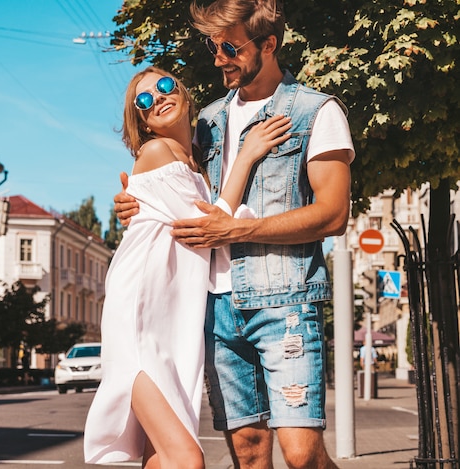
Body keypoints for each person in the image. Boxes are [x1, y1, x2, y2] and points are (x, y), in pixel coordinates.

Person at [113, 1, 355, 468]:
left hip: (283, 300)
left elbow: (332, 215)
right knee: (247, 451)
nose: (219, 57)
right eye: (213, 46)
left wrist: (241, 228)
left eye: (230, 46)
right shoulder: (206, 121)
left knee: (301, 454)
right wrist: (133, 205)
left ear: (268, 44)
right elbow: (172, 186)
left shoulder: (314, 112)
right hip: (214, 309)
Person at [84, 66, 291, 468]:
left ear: (181, 90)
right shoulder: (157, 152)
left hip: (171, 323)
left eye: (163, 86)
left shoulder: (195, 159)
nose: (157, 98)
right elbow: (209, 225)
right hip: (140, 320)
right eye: (144, 101)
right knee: (186, 459)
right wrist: (248, 155)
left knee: (160, 457)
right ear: (140, 121)